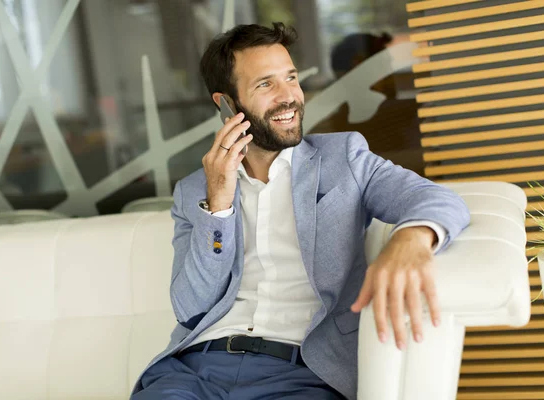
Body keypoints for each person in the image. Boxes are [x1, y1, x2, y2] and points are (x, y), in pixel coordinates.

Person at [131, 22, 470, 400]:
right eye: (265, 84)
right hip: (193, 371)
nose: (288, 96)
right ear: (227, 104)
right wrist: (219, 206)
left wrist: (412, 239)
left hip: (301, 372)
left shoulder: (345, 158)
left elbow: (440, 200)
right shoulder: (194, 191)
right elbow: (190, 309)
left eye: (290, 78)